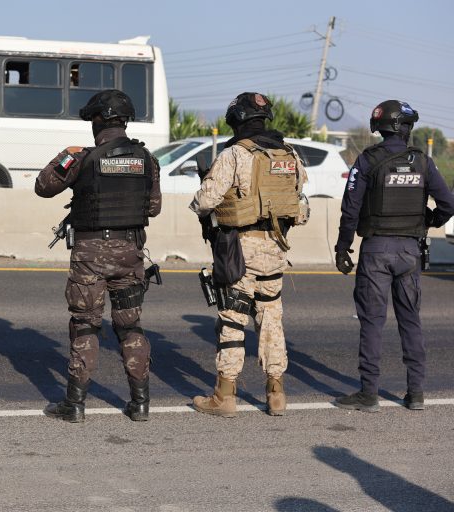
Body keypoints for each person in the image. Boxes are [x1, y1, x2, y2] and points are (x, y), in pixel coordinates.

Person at [35, 89, 162, 423]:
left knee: (85, 325)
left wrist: (65, 156)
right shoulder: (147, 159)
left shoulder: (81, 157)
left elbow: (43, 186)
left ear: (97, 120)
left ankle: (75, 405)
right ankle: (140, 404)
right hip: (130, 252)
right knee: (130, 326)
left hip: (90, 255)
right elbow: (154, 208)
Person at [189, 92, 308, 418]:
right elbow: (301, 202)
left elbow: (206, 201)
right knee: (271, 319)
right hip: (276, 248)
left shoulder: (234, 154)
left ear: (237, 119)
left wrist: (202, 201)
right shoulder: (289, 155)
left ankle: (225, 396)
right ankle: (276, 394)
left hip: (239, 251)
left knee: (233, 318)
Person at [334, 100, 454, 413]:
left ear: (381, 127)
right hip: (410, 251)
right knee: (410, 320)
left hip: (376, 250)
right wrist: (429, 221)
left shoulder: (367, 160)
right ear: (405, 127)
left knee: (372, 322)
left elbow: (350, 210)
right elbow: (448, 204)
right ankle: (416, 394)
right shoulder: (423, 161)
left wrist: (342, 247)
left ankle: (369, 394)